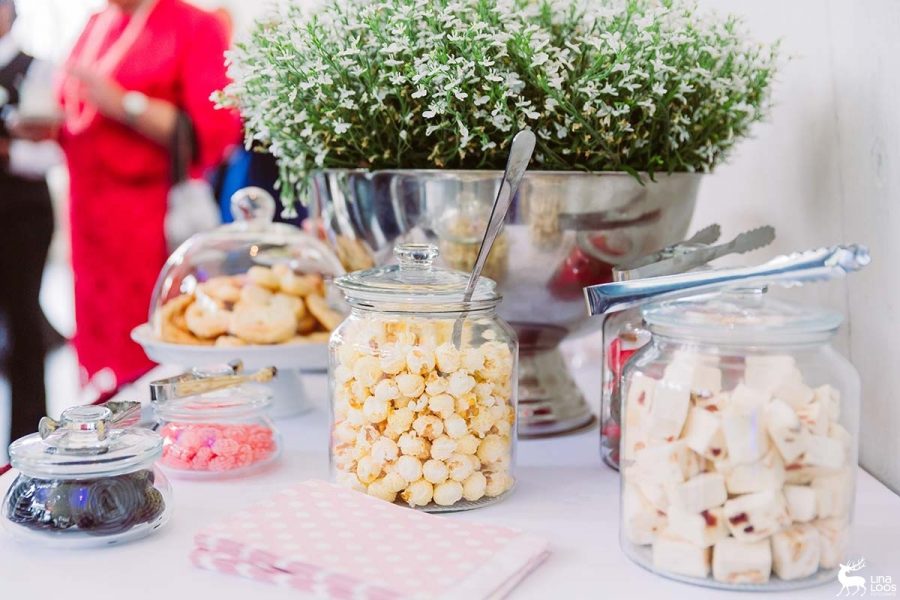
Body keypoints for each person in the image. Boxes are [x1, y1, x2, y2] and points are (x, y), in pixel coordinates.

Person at [52, 0, 241, 391]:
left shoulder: (193, 25)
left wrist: (124, 103)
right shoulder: (97, 23)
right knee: (102, 359)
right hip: (89, 223)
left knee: (155, 352)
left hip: (151, 222)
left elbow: (213, 129)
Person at [0, 0, 63, 441]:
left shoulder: (36, 69)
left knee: (24, 320)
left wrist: (5, 151)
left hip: (22, 215)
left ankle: (27, 436)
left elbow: (51, 152)